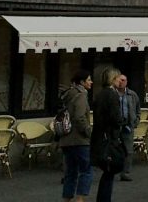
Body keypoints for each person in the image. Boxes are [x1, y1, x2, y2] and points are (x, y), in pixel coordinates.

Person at [92, 68, 126, 202]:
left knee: (108, 172)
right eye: (118, 78)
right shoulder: (112, 95)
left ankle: (102, 198)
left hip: (100, 136)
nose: (120, 80)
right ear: (113, 79)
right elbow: (116, 118)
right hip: (109, 138)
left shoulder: (100, 95)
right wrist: (122, 121)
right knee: (110, 171)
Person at [60, 69, 93, 202]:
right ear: (82, 82)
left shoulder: (68, 94)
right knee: (86, 170)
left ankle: (67, 198)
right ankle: (80, 199)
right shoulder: (80, 95)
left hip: (66, 139)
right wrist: (88, 131)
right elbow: (79, 117)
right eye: (89, 80)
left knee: (71, 172)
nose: (91, 82)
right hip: (79, 139)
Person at [115, 73, 140, 181]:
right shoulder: (113, 94)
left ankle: (126, 173)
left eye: (123, 80)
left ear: (127, 82)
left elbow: (138, 108)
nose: (121, 82)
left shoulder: (132, 95)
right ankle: (112, 170)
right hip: (116, 125)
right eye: (120, 80)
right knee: (114, 149)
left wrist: (136, 121)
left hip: (128, 125)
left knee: (129, 150)